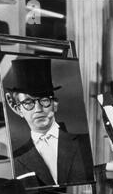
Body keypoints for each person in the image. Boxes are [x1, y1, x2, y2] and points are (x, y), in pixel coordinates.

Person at [5, 58, 94, 186]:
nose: (38, 109)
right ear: (19, 109)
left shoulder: (84, 143)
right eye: (28, 102)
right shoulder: (17, 159)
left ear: (55, 105)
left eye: (45, 100)